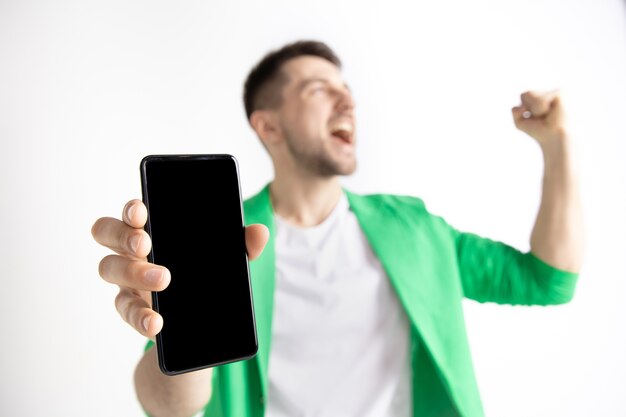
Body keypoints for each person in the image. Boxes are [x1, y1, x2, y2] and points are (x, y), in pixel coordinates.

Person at [91, 40, 584, 417]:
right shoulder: (224, 242)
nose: (347, 103)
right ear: (269, 127)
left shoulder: (415, 228)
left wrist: (557, 143)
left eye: (347, 92)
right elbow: (170, 406)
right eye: (321, 91)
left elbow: (547, 280)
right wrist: (175, 331)